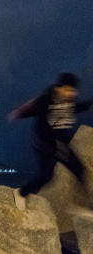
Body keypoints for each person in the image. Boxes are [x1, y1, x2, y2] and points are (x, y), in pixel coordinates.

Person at [8, 73, 93, 211]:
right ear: (58, 88)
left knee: (80, 170)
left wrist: (90, 105)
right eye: (67, 89)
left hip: (61, 146)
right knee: (47, 176)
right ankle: (20, 193)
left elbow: (80, 107)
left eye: (73, 90)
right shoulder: (45, 101)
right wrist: (18, 113)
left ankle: (85, 205)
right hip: (44, 146)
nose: (70, 94)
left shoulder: (70, 104)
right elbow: (30, 110)